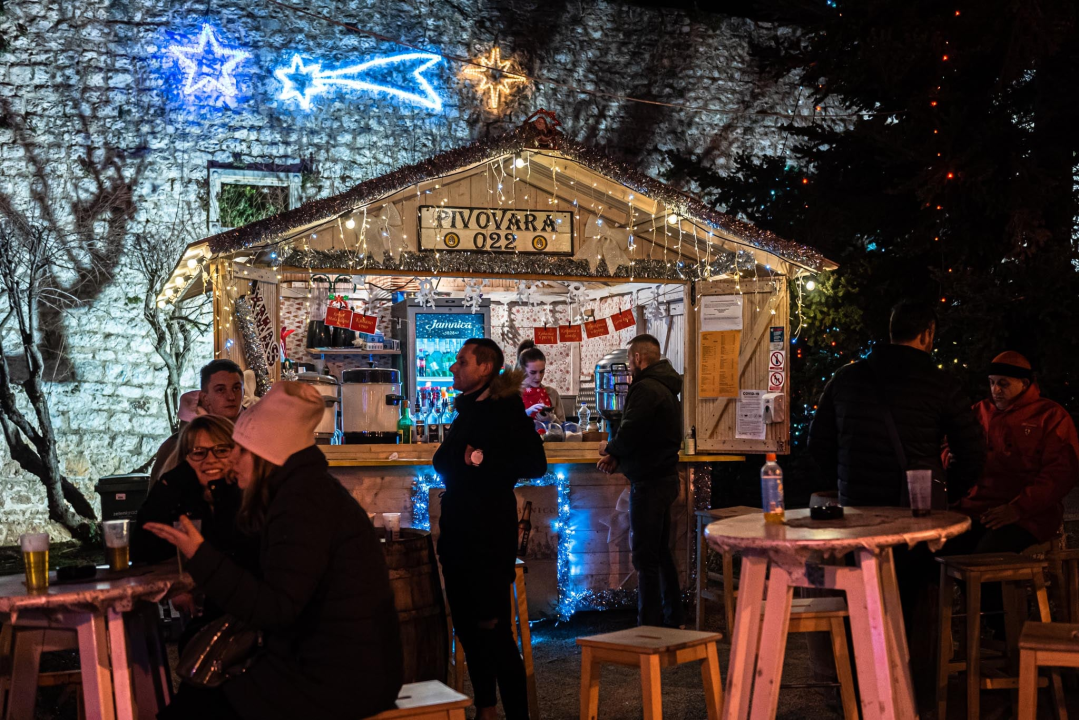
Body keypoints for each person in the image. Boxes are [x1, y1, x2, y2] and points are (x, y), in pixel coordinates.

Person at [145, 382, 403, 720]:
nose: (231, 460)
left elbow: (275, 608)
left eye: (240, 450)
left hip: (337, 678)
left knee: (198, 705)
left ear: (264, 457)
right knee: (198, 694)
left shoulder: (302, 504)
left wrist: (201, 555)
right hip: (332, 664)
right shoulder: (300, 492)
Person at [435, 338, 546, 720]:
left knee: (494, 630)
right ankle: (486, 708)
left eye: (461, 361)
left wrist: (479, 458)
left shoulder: (505, 409)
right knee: (468, 627)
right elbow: (442, 460)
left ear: (485, 368)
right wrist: (464, 457)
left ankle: (517, 715)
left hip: (487, 535)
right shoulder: (467, 408)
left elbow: (535, 463)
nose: (454, 368)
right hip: (458, 534)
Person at [808, 299, 985, 507]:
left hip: (858, 506)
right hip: (917, 508)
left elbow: (818, 443)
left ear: (892, 331)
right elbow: (972, 452)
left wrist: (847, 481)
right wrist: (943, 490)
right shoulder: (942, 385)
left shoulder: (845, 378)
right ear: (927, 334)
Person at [948, 352, 1079, 554]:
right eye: (992, 383)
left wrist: (1019, 508)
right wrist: (950, 457)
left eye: (1003, 384)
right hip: (975, 508)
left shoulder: (1050, 416)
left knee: (986, 555)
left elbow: (1060, 472)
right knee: (937, 547)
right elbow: (948, 445)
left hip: (1029, 515)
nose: (995, 390)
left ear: (1024, 384)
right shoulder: (979, 412)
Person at [597, 334, 684, 628]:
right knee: (660, 553)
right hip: (665, 478)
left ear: (637, 357)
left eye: (629, 360)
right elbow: (643, 434)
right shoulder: (666, 386)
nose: (629, 366)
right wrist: (618, 454)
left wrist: (610, 449)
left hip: (650, 482)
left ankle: (648, 625)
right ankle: (674, 617)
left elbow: (631, 430)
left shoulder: (645, 388)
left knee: (645, 558)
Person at [151, 360, 245, 485]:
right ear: (205, 398)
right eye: (220, 390)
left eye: (236, 388)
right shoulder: (175, 446)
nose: (231, 397)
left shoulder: (256, 438)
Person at [518, 347, 566, 427]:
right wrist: (525, 414)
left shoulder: (552, 393)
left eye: (541, 371)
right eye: (533, 372)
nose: (538, 377)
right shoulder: (513, 394)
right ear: (522, 371)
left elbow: (563, 427)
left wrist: (553, 419)